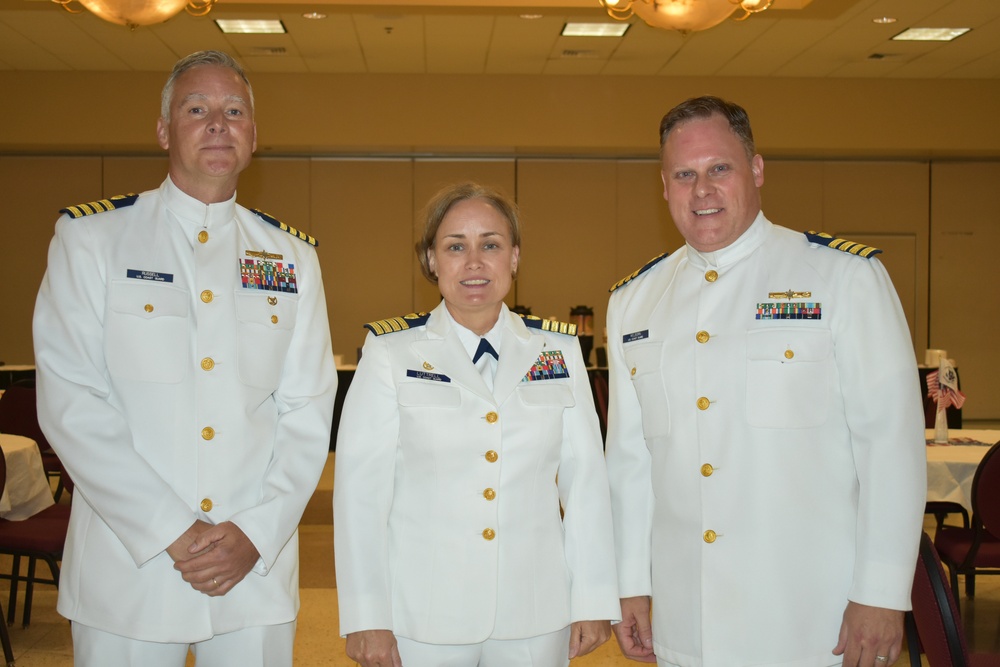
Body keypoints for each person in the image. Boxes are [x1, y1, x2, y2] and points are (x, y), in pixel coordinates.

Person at [32, 50, 336, 666]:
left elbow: (307, 410)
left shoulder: (290, 258)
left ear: (255, 134)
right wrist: (172, 531)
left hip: (252, 569)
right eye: (197, 110)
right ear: (165, 130)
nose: (218, 124)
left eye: (234, 111)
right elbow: (71, 402)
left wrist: (255, 533)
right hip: (129, 569)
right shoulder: (92, 239)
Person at [604, 96, 926, 667]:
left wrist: (880, 593)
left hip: (809, 615)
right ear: (664, 186)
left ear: (756, 170)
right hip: (687, 619)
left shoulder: (842, 278)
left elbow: (891, 447)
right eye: (684, 175)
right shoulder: (634, 302)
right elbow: (629, 465)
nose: (701, 190)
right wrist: (631, 583)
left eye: (718, 169)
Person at [334, 182, 619, 667]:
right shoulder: (391, 352)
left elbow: (586, 482)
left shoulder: (557, 351)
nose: (473, 262)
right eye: (454, 246)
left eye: (490, 244)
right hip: (423, 615)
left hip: (535, 612)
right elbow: (360, 493)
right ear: (430, 260)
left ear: (514, 258)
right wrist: (366, 615)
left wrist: (592, 598)